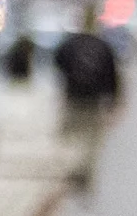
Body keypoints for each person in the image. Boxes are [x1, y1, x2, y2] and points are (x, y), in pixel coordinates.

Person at [52, 21, 124, 196]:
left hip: (73, 97)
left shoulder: (70, 44)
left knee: (69, 135)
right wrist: (113, 101)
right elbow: (112, 76)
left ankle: (73, 167)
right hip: (94, 100)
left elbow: (58, 63)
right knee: (92, 140)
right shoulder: (104, 46)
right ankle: (83, 170)